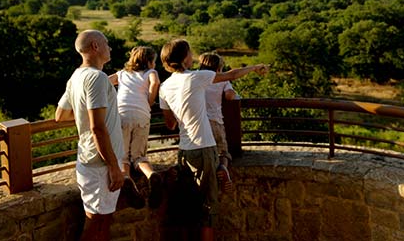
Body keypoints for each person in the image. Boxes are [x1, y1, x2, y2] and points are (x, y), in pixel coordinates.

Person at [158, 39, 268, 238]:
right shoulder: (197, 77)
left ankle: (220, 167)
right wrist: (255, 67)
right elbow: (231, 75)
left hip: (184, 151)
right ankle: (221, 166)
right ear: (185, 58)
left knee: (187, 203)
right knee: (208, 207)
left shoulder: (164, 87)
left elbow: (170, 124)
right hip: (204, 146)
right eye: (190, 53)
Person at [55, 29, 124, 241]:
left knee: (102, 221)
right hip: (101, 164)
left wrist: (85, 110)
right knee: (95, 224)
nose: (109, 47)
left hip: (90, 160)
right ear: (95, 46)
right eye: (106, 43)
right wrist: (113, 166)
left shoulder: (77, 76)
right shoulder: (96, 78)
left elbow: (61, 115)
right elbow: (97, 128)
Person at [107, 46, 162, 208]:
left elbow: (104, 81)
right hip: (142, 115)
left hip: (121, 114)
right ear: (150, 61)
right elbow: (155, 83)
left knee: (123, 156)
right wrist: (149, 102)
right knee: (139, 156)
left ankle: (126, 179)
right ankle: (151, 174)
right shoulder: (150, 73)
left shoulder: (122, 74)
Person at [199, 52, 238, 194]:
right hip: (215, 121)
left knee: (202, 151)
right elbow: (229, 96)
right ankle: (223, 167)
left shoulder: (197, 78)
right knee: (222, 151)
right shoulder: (223, 80)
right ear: (219, 68)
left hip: (198, 122)